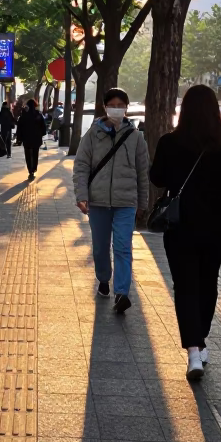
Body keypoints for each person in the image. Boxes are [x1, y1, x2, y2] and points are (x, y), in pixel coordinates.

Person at [149, 84, 221, 380]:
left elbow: (156, 177)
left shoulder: (169, 143)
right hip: (215, 227)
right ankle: (200, 338)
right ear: (213, 110)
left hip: (180, 226)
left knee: (184, 285)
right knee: (207, 283)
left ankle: (194, 350)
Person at [73, 88, 149, 315]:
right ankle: (104, 278)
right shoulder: (93, 134)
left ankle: (122, 293)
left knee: (123, 247)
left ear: (126, 107)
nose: (117, 108)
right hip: (97, 203)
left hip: (126, 202)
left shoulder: (136, 137)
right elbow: (81, 166)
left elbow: (142, 172)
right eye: (112, 104)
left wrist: (142, 204)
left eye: (121, 104)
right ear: (105, 107)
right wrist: (81, 196)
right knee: (100, 248)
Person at [15, 98, 48, 179]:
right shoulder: (38, 115)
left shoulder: (24, 116)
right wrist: (42, 134)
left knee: (28, 154)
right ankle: (34, 168)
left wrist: (19, 138)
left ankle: (30, 170)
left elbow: (19, 128)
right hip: (36, 138)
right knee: (35, 153)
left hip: (26, 139)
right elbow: (43, 127)